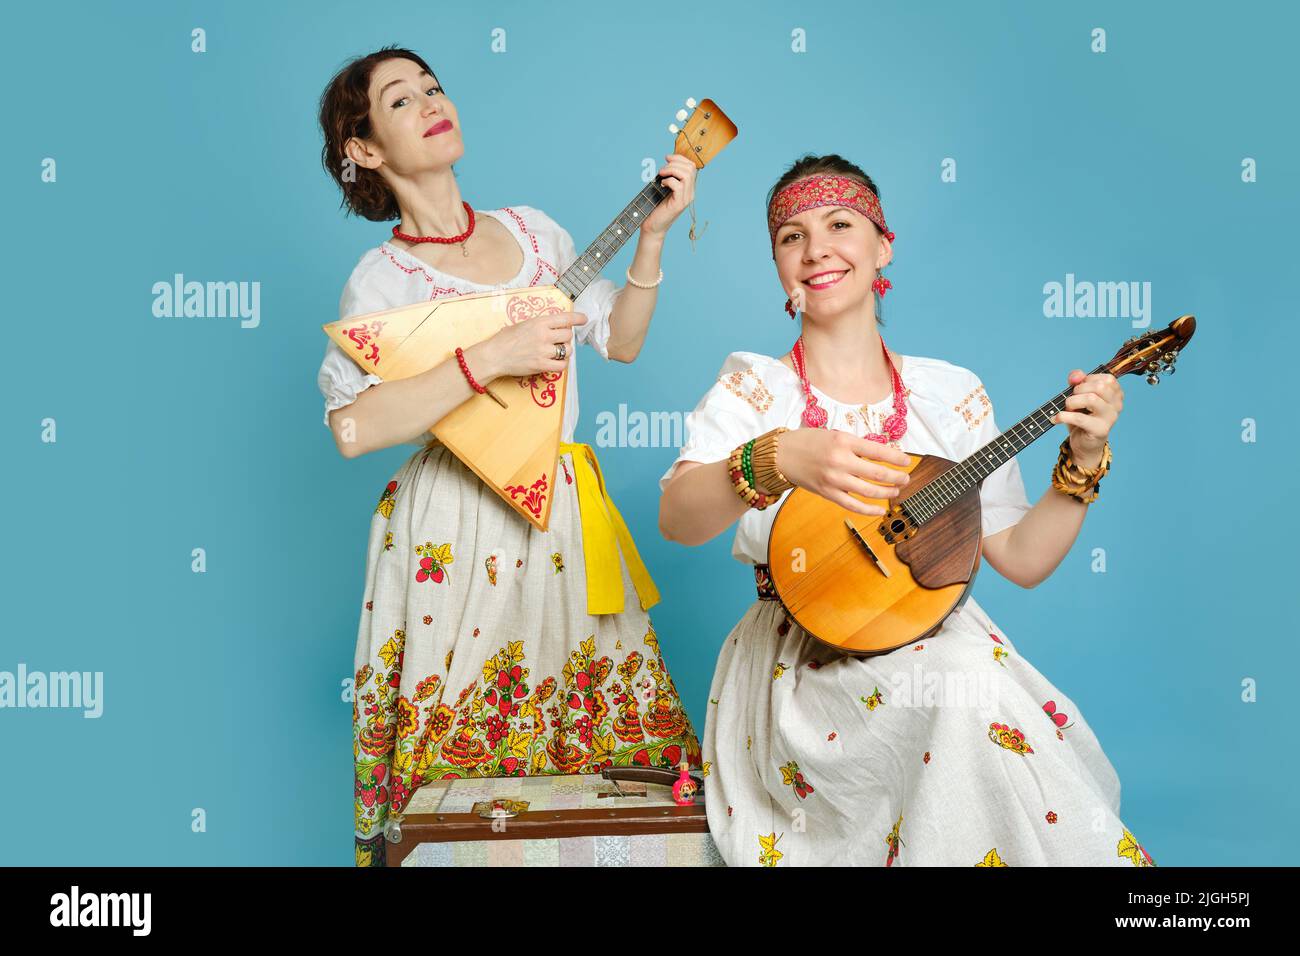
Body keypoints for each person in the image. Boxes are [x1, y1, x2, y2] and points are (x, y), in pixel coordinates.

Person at [658, 153, 1156, 867]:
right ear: (778, 268)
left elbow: (1020, 557)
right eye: (790, 237)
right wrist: (776, 458)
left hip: (933, 638)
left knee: (966, 688)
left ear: (883, 245)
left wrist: (1080, 461)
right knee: (964, 691)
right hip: (804, 662)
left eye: (839, 224)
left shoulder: (948, 393)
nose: (816, 248)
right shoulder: (755, 394)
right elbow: (677, 518)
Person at [317, 46, 702, 867]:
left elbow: (622, 342)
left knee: (608, 770)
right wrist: (490, 356)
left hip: (561, 513)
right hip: (452, 528)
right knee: (460, 779)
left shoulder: (535, 231)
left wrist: (653, 240)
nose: (429, 101)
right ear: (366, 149)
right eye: (399, 100)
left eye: (432, 86)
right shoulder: (381, 280)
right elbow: (353, 427)